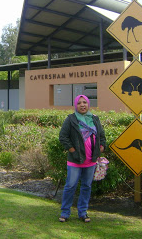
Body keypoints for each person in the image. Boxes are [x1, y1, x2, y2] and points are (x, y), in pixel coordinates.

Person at [58, 94, 106, 223]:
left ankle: (83, 212)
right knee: (70, 186)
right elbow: (63, 137)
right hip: (75, 160)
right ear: (75, 105)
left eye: (84, 102)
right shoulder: (71, 119)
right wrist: (73, 151)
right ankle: (65, 212)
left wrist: (101, 148)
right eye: (79, 103)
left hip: (91, 161)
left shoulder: (95, 119)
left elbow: (102, 136)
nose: (82, 105)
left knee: (86, 186)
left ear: (88, 104)